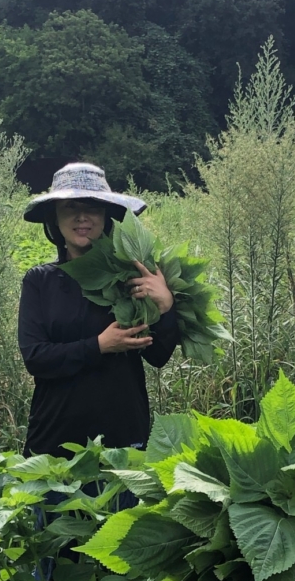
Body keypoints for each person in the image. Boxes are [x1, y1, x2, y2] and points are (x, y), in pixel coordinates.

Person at [18, 162, 179, 457]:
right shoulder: (40, 281)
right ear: (54, 217)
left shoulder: (133, 278)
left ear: (106, 216)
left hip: (123, 438)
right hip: (55, 440)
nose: (82, 216)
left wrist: (166, 305)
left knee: (123, 504)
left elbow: (158, 356)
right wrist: (99, 346)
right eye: (70, 207)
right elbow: (36, 358)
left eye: (92, 207)